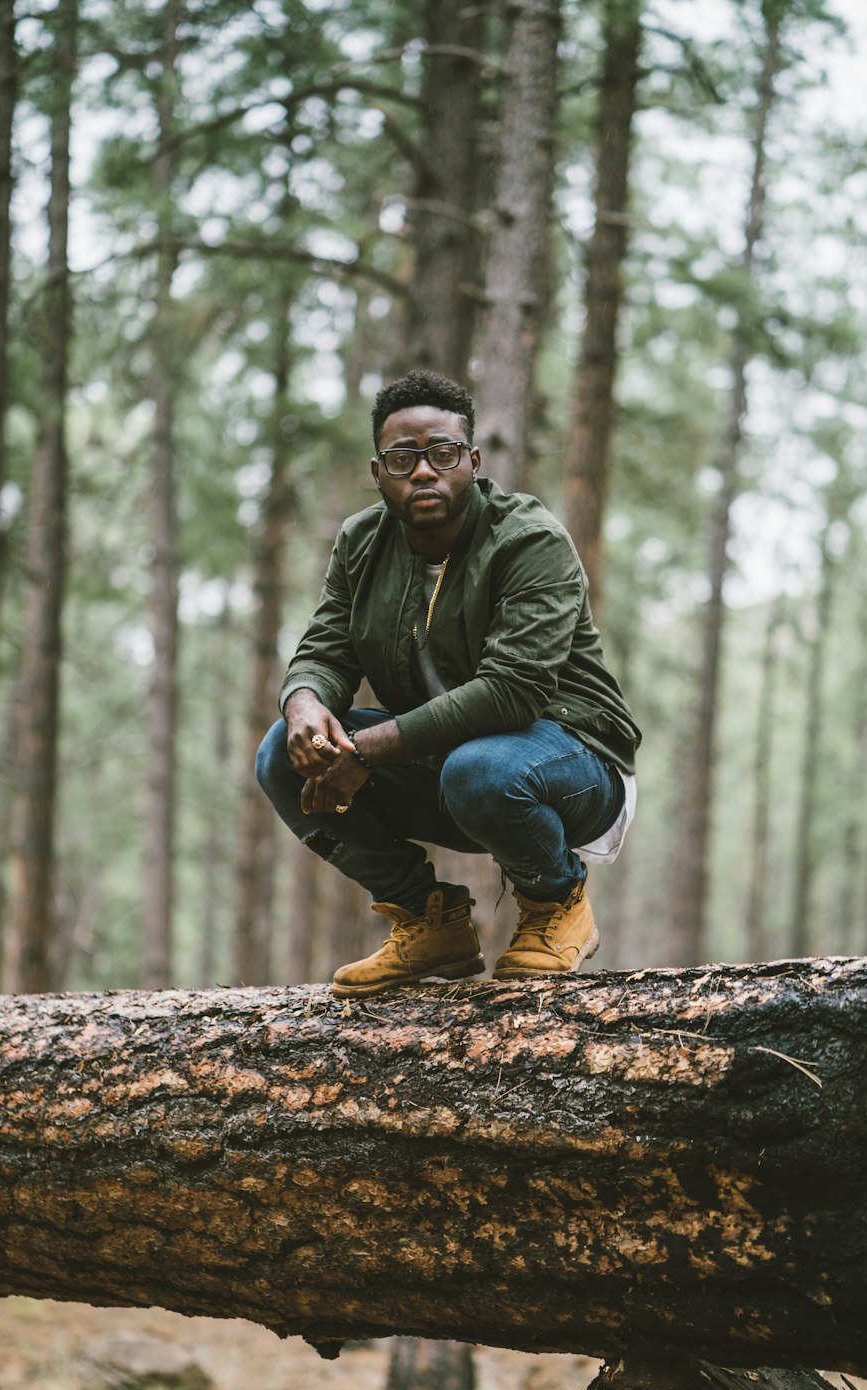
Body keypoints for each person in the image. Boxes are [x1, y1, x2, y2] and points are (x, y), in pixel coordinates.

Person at [255, 369, 640, 998]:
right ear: (378, 471)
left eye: (443, 454)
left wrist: (362, 751)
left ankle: (555, 903)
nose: (425, 472)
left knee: (479, 769)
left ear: (474, 461)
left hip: (572, 763)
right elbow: (325, 650)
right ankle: (428, 919)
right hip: (448, 762)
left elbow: (512, 691)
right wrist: (303, 706)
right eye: (403, 458)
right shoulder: (361, 541)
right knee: (281, 753)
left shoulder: (530, 540)